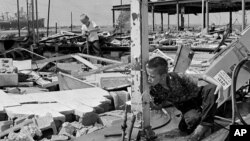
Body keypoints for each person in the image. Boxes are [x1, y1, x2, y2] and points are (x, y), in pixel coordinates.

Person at [146, 57, 223, 141]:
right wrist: (150, 105)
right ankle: (200, 120)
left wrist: (219, 85)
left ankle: (204, 126)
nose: (148, 79)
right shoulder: (155, 89)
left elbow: (202, 76)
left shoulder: (178, 77)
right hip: (186, 106)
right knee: (190, 123)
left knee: (212, 88)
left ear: (163, 76)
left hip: (197, 96)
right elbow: (159, 105)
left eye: (152, 76)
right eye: (148, 75)